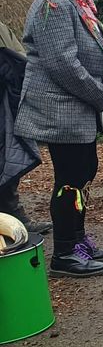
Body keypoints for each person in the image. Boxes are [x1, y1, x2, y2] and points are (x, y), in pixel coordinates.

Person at [15, 0, 103, 277]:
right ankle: (64, 253)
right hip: (60, 108)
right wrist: (101, 94)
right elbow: (62, 64)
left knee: (84, 171)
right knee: (71, 177)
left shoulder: (73, 1)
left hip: (74, 106)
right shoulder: (52, 4)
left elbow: (88, 55)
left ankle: (77, 240)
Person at [0, 19, 50, 234]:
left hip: (5, 103)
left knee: (8, 160)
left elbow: (19, 58)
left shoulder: (2, 26)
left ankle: (14, 218)